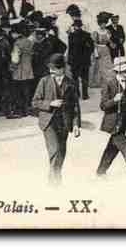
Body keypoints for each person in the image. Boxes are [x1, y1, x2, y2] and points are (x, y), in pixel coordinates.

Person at [32, 54, 81, 185]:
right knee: (55, 150)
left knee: (62, 152)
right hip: (48, 122)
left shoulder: (71, 83)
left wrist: (76, 124)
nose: (51, 72)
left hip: (64, 122)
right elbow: (35, 102)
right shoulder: (44, 81)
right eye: (50, 69)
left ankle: (53, 177)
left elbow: (75, 106)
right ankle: (55, 182)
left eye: (54, 69)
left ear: (62, 69)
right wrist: (50, 103)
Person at [96, 57, 126, 179]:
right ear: (118, 71)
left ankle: (100, 172)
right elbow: (103, 105)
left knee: (112, 149)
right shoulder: (109, 84)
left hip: (124, 124)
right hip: (114, 124)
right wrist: (114, 100)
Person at [67, 19, 94, 100]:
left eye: (76, 26)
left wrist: (69, 60)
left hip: (75, 60)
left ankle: (77, 94)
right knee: (85, 78)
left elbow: (70, 49)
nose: (76, 27)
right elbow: (91, 48)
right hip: (84, 60)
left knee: (75, 78)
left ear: (74, 27)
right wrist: (87, 54)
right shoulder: (87, 35)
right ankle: (85, 95)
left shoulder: (71, 36)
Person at [92, 12, 115, 88]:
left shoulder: (107, 31)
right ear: (99, 24)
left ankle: (107, 81)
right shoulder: (96, 32)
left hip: (106, 50)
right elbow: (94, 43)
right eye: (102, 24)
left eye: (105, 23)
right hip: (98, 50)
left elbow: (109, 41)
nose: (104, 25)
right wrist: (95, 53)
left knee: (107, 66)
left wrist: (112, 44)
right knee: (99, 67)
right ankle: (98, 82)